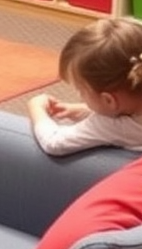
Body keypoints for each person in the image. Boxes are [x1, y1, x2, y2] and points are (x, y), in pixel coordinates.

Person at [27, 16, 142, 155]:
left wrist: (36, 108)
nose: (80, 96)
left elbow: (54, 142)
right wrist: (82, 110)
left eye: (81, 91)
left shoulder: (111, 126)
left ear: (108, 100)